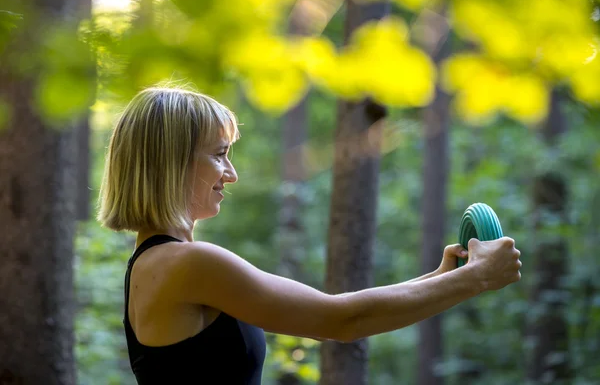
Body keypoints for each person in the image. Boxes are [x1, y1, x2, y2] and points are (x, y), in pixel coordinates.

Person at [97, 85, 522, 385]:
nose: (232, 173)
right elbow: (339, 320)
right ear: (170, 164)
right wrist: (475, 278)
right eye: (220, 155)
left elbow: (337, 314)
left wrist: (443, 277)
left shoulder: (161, 263)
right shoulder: (185, 264)